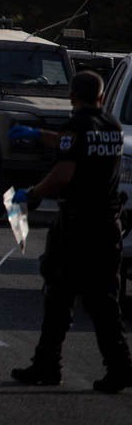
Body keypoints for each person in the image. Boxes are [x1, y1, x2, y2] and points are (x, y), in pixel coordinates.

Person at [9, 71, 132, 393]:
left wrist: (32, 193)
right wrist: (39, 134)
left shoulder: (75, 127)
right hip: (107, 226)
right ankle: (120, 367)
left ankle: (47, 365)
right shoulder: (111, 126)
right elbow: (76, 145)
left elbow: (64, 172)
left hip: (78, 227)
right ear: (101, 98)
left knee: (58, 295)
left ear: (71, 97)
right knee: (105, 301)